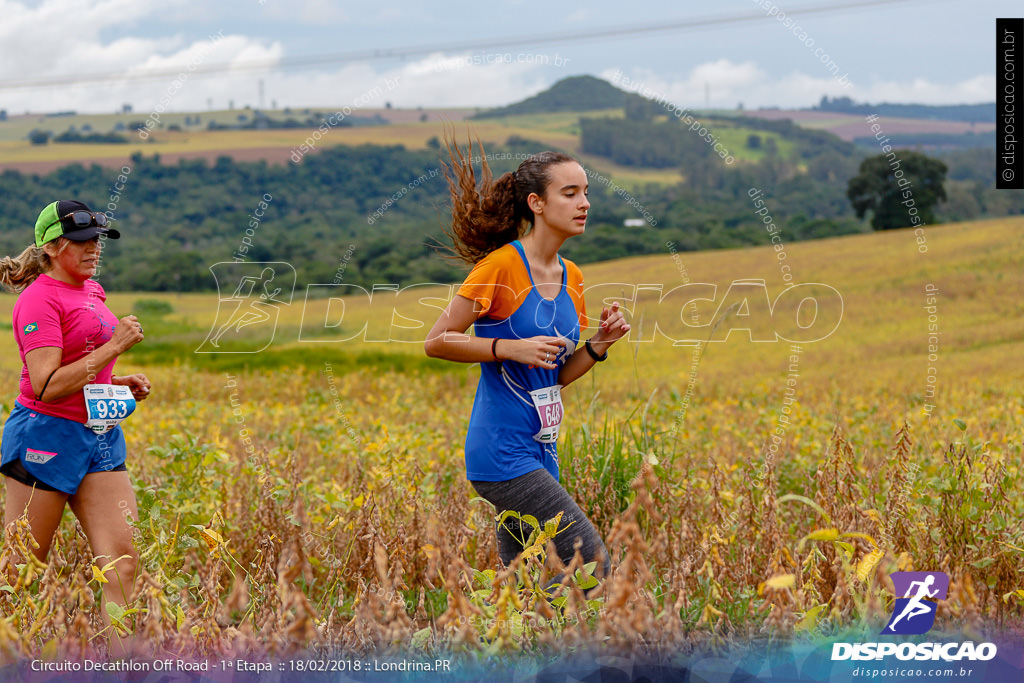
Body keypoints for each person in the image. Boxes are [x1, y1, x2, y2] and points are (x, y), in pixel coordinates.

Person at [425, 139, 630, 582]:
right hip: (501, 454)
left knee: (526, 584)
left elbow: (554, 376)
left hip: (542, 452)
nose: (585, 204)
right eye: (570, 193)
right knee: (588, 562)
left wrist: (598, 345)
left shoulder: (572, 276)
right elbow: (437, 341)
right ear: (536, 203)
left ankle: (524, 647)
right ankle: (583, 648)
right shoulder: (499, 268)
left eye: (586, 192)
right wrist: (506, 348)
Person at [0, 200, 150, 611]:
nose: (93, 249)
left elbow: (79, 365)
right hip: (45, 436)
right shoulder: (37, 300)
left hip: (99, 436)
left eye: (97, 240)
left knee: (123, 563)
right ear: (50, 246)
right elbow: (47, 385)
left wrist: (116, 381)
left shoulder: (91, 290)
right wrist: (116, 345)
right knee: (20, 569)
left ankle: (118, 669)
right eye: (81, 240)